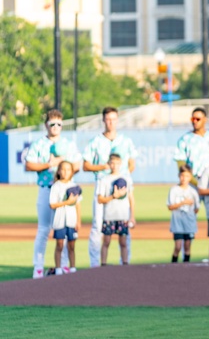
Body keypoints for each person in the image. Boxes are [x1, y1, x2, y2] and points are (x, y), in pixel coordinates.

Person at [24, 109, 82, 279]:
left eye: (59, 124)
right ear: (46, 125)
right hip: (46, 188)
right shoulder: (39, 144)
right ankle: (38, 267)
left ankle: (63, 265)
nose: (55, 127)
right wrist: (49, 164)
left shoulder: (68, 144)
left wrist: (64, 170)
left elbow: (77, 165)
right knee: (43, 229)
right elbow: (29, 165)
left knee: (64, 230)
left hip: (64, 190)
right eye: (52, 124)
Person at [83, 106, 137, 268]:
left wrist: (121, 177)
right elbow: (86, 165)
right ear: (103, 120)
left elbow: (132, 164)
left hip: (122, 185)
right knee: (97, 225)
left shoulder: (125, 141)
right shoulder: (96, 141)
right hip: (102, 184)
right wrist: (104, 167)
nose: (111, 122)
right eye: (108, 119)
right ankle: (95, 264)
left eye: (113, 119)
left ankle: (125, 262)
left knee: (124, 226)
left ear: (117, 120)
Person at [175, 107, 209, 259]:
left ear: (205, 120)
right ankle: (186, 255)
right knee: (188, 218)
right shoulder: (185, 139)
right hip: (193, 184)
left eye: (198, 119)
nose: (195, 121)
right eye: (193, 119)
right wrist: (195, 182)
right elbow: (181, 163)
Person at [96, 153, 134, 267]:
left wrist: (132, 216)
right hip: (109, 215)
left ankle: (125, 263)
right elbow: (100, 199)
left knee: (123, 242)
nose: (115, 166)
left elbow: (131, 198)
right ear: (108, 164)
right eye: (112, 163)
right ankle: (103, 264)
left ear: (121, 164)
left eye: (117, 163)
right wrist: (113, 196)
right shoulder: (104, 180)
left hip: (123, 215)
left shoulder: (127, 179)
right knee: (106, 241)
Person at [49, 160, 82, 275]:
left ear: (72, 172)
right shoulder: (56, 186)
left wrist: (78, 221)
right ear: (58, 171)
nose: (65, 172)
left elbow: (78, 204)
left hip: (72, 220)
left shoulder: (74, 186)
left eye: (68, 170)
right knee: (59, 245)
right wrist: (66, 202)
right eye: (63, 169)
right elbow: (52, 204)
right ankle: (58, 268)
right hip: (59, 220)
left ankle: (72, 268)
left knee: (71, 245)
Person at [167, 164, 200, 263]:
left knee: (187, 246)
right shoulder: (174, 190)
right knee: (177, 246)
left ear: (190, 177)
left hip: (189, 223)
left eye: (187, 176)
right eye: (182, 175)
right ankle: (174, 265)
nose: (184, 178)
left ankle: (186, 266)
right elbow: (170, 206)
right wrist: (183, 203)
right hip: (177, 223)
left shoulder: (193, 191)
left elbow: (197, 208)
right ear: (179, 175)